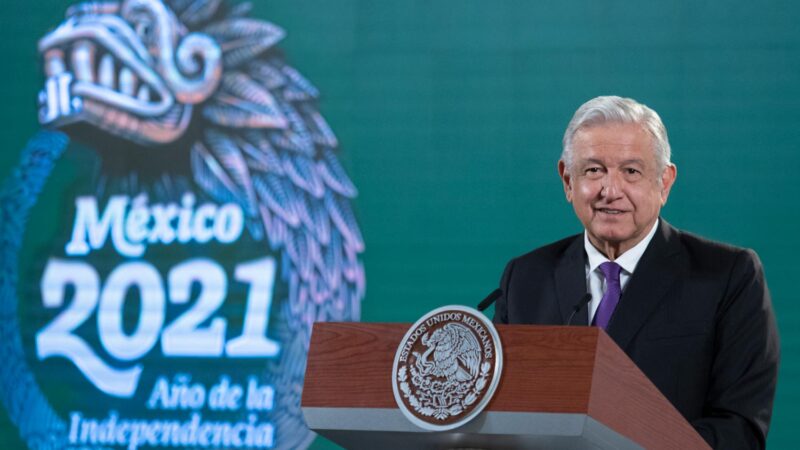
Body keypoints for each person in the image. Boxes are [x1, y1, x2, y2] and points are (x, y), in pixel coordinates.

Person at [493, 96, 779, 449]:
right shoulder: (525, 278)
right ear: (568, 180)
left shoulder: (728, 277)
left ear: (664, 182)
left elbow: (740, 430)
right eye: (593, 170)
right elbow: (500, 415)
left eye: (631, 171)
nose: (610, 191)